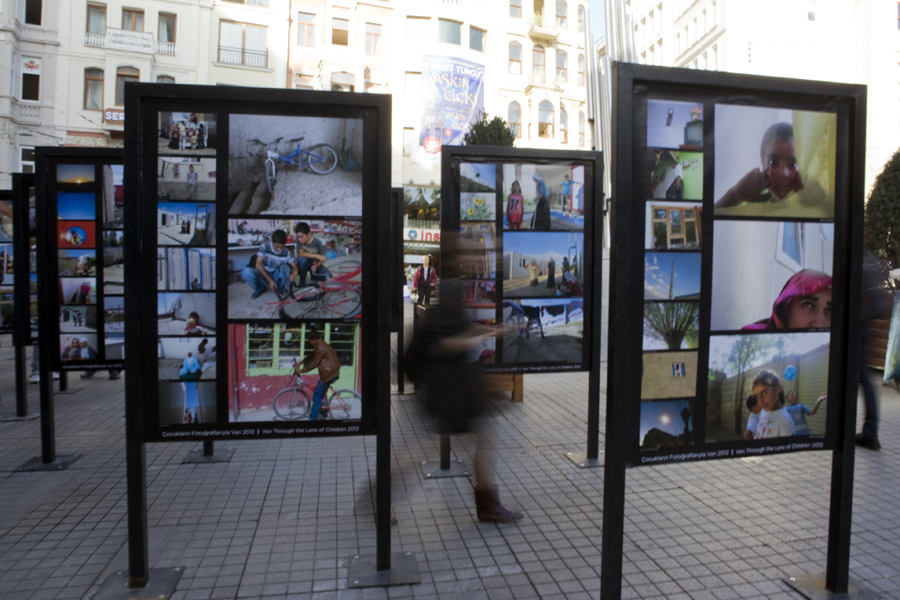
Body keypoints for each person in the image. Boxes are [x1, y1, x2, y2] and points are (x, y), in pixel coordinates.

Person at [405, 233, 522, 523]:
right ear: (457, 257)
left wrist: (488, 331)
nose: (476, 258)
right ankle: (380, 495)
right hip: (448, 385)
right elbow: (443, 345)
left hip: (453, 383)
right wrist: (488, 333)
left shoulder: (452, 287)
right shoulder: (449, 291)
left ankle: (488, 504)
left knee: (479, 438)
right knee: (431, 449)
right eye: (470, 253)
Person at [715, 122, 804, 207]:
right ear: (762, 163)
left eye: (792, 164)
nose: (784, 174)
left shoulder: (807, 202)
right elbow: (704, 220)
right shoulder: (748, 202)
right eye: (773, 162)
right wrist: (735, 195)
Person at [858, 252, 891, 450]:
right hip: (863, 326)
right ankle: (869, 431)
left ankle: (870, 432)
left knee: (862, 377)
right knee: (863, 378)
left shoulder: (860, 265)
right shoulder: (868, 264)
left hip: (857, 327)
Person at [742, 270, 832, 330]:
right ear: (786, 309)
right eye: (808, 305)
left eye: (829, 310)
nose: (819, 325)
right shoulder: (749, 336)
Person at [293, 329, 340, 422]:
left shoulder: (320, 347)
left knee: (316, 396)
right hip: (332, 372)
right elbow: (312, 355)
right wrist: (301, 362)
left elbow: (314, 363)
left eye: (309, 340)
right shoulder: (320, 345)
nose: (309, 343)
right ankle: (323, 411)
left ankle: (313, 419)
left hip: (329, 374)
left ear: (314, 339)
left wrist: (301, 370)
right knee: (321, 392)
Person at [241, 229, 297, 300]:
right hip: (264, 273)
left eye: (281, 247)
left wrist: (295, 272)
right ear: (271, 241)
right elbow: (258, 265)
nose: (279, 249)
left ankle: (281, 288)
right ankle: (260, 288)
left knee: (285, 267)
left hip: (275, 275)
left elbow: (294, 266)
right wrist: (270, 281)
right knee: (246, 272)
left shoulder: (287, 252)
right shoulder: (265, 246)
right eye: (276, 246)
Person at [752, 370, 795, 439]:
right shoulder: (764, 411)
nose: (760, 402)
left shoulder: (784, 421)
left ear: (777, 388)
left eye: (764, 393)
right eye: (757, 396)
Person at [293, 222, 331, 287]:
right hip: (304, 265)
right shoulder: (299, 241)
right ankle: (302, 281)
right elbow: (301, 253)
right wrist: (317, 255)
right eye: (298, 237)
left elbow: (323, 258)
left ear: (308, 234)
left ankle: (314, 276)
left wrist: (317, 265)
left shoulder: (317, 242)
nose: (299, 239)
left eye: (301, 237)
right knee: (302, 259)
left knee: (330, 279)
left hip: (315, 264)